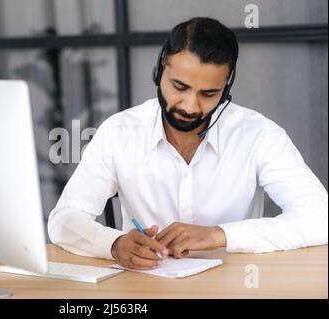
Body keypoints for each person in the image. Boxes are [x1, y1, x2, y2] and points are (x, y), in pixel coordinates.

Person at [48, 17, 328, 270]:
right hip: (145, 289)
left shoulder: (259, 135)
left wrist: (219, 234)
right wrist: (114, 244)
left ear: (226, 88)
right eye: (179, 87)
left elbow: (321, 219)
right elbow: (64, 221)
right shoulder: (119, 132)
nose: (190, 106)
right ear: (159, 71)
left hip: (234, 287)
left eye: (209, 93)